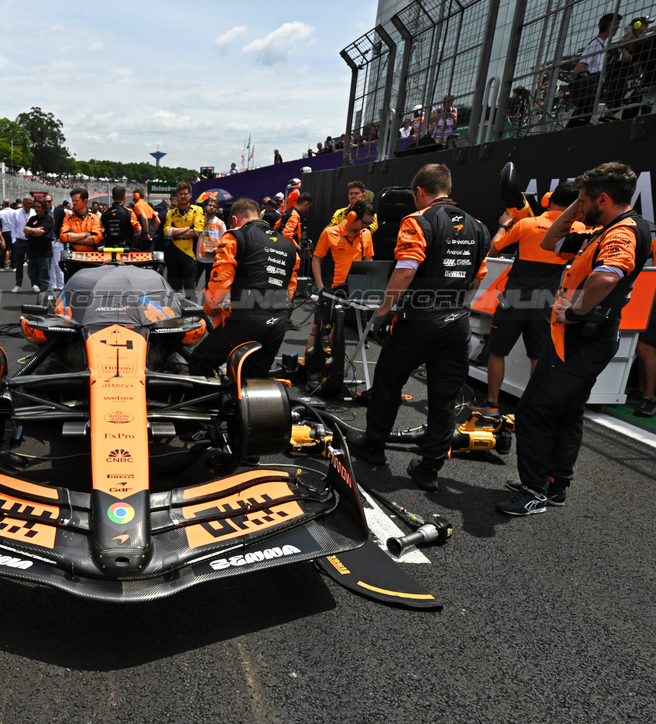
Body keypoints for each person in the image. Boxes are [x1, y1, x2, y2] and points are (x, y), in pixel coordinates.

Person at [500, 162, 651, 515]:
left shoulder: (622, 232)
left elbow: (608, 277)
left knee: (533, 410)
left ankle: (533, 489)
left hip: (582, 338)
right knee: (567, 414)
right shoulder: (604, 229)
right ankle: (555, 485)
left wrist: (576, 312)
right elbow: (552, 240)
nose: (580, 209)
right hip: (585, 338)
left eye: (585, 201)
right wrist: (575, 204)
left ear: (604, 198)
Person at [349, 164, 489, 492]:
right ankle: (429, 470)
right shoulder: (479, 228)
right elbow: (478, 278)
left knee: (387, 382)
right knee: (443, 398)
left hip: (419, 321)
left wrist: (383, 311)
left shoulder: (418, 220)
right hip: (457, 321)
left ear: (419, 193)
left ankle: (374, 447)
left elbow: (406, 270)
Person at [483, 183, 582, 414]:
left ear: (550, 199)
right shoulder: (579, 228)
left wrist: (504, 226)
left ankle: (492, 405)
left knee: (497, 350)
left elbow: (493, 251)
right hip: (546, 301)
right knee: (538, 355)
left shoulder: (526, 223)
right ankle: (532, 409)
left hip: (514, 298)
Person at [191, 197, 300, 378]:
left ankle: (215, 404)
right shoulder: (289, 245)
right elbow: (291, 289)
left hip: (246, 319)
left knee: (199, 360)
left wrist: (210, 310)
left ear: (234, 220)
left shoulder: (235, 235)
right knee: (253, 379)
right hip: (278, 323)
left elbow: (221, 282)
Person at [308, 200, 375, 351]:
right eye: (364, 223)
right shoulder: (329, 233)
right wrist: (320, 287)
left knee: (338, 328)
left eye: (368, 224)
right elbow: (316, 259)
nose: (366, 226)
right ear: (352, 217)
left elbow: (369, 261)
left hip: (353, 290)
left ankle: (333, 366)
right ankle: (307, 363)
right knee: (316, 327)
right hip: (330, 288)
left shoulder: (366, 235)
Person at [568, 13, 621, 125]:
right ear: (607, 25)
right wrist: (587, 77)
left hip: (593, 89)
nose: (618, 27)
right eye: (615, 24)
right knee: (582, 117)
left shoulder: (601, 45)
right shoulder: (595, 45)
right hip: (589, 89)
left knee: (583, 117)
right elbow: (578, 68)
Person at [161, 181, 204, 300]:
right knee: (174, 290)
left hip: (189, 255)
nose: (183, 196)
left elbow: (197, 231)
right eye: (180, 194)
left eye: (185, 194)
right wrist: (187, 229)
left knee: (190, 290)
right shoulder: (171, 213)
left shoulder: (197, 210)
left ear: (190, 195)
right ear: (177, 195)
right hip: (173, 255)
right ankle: (173, 314)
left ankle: (194, 316)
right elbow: (166, 232)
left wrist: (175, 231)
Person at [635, 233, 656, 418]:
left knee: (645, 349)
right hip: (651, 299)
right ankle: (643, 392)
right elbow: (639, 254)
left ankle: (649, 398)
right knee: (640, 347)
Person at [22, 197, 54, 293]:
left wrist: (30, 230)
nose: (36, 209)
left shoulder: (48, 219)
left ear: (44, 207)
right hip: (32, 252)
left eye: (39, 207)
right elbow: (25, 231)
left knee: (44, 277)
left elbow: (40, 233)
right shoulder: (33, 219)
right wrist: (34, 230)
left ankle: (45, 298)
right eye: (35, 207)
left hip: (44, 253)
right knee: (32, 275)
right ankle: (43, 292)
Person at [195, 197, 225, 292]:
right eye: (209, 205)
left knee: (209, 284)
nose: (211, 207)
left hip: (212, 258)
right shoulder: (199, 220)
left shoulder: (220, 224)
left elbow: (224, 241)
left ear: (216, 210)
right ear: (205, 208)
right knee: (193, 281)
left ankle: (206, 302)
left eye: (214, 206)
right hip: (199, 257)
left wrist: (218, 249)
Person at [60, 188, 102, 253]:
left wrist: (73, 238)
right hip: (73, 256)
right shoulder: (68, 218)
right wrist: (86, 234)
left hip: (91, 256)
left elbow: (96, 239)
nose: (74, 203)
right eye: (73, 200)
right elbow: (63, 237)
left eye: (76, 200)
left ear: (85, 201)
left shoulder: (94, 218)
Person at [8, 196, 35, 293]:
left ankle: (34, 284)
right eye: (27, 203)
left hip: (31, 241)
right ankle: (18, 285)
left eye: (30, 203)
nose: (29, 205)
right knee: (19, 265)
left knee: (32, 264)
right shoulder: (16, 212)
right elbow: (13, 227)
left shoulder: (34, 212)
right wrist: (14, 240)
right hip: (19, 241)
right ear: (23, 203)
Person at [100, 186, 141, 250]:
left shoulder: (105, 213)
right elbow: (138, 231)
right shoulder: (129, 213)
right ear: (125, 197)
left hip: (109, 247)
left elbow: (104, 228)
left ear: (113, 197)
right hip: (125, 249)